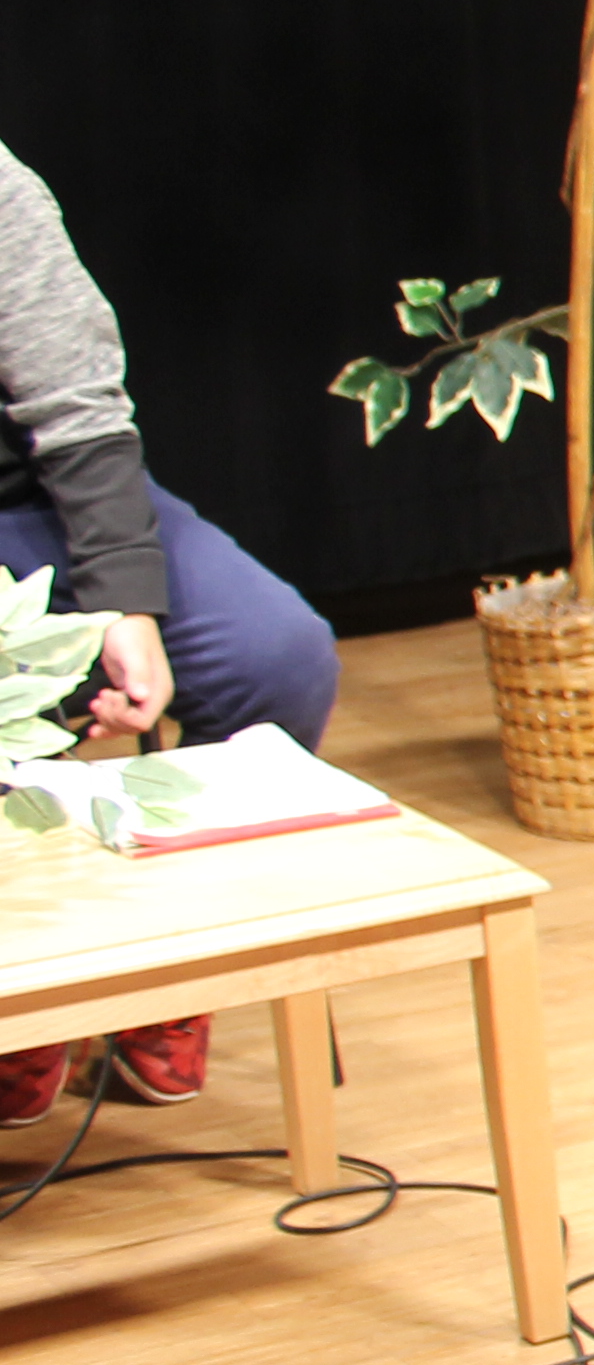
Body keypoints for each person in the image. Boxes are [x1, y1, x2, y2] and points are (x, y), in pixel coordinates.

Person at [0, 137, 343, 1120]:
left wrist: (124, 601)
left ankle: (176, 961)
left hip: (37, 498)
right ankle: (31, 984)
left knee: (272, 656)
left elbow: (77, 406)